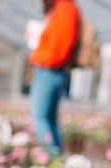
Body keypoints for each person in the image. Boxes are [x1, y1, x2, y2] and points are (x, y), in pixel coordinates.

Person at [29, 0, 80, 155]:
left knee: (41, 118)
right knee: (49, 118)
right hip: (51, 70)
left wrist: (37, 56)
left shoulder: (65, 9)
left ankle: (50, 158)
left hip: (50, 71)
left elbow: (59, 49)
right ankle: (55, 156)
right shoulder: (61, 8)